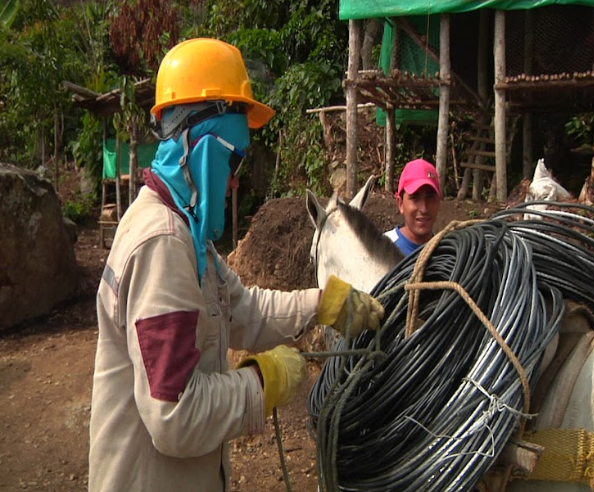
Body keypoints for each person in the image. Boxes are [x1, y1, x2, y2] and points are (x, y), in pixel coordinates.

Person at [88, 38, 384, 492]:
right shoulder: (162, 245)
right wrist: (261, 382)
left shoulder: (185, 233)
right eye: (235, 156)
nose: (235, 178)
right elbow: (174, 415)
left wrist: (324, 304)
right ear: (203, 144)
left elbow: (243, 310)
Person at [384, 158, 443, 256]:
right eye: (415, 198)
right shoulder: (382, 248)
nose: (424, 208)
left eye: (430, 197)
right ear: (400, 204)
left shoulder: (448, 253)